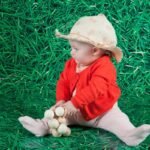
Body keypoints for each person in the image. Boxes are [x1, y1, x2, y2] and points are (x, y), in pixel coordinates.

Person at [18, 14, 150, 146]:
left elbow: (96, 88)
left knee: (118, 120)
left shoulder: (105, 66)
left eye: (76, 48)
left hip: (102, 113)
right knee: (55, 116)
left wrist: (75, 103)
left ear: (94, 50)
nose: (71, 52)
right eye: (71, 48)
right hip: (74, 111)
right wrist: (62, 100)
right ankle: (42, 126)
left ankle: (129, 134)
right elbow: (63, 82)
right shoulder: (72, 63)